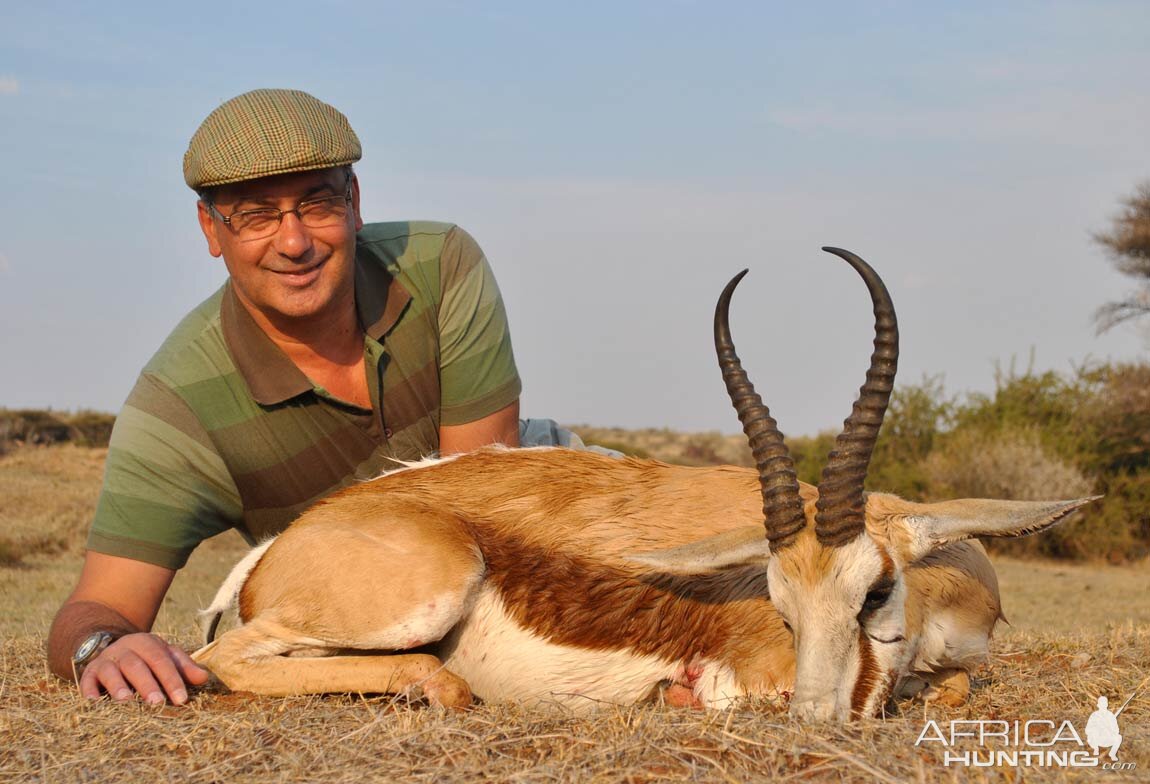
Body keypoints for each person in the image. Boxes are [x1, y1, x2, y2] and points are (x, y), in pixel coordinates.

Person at [47, 88, 584, 705]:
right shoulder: (177, 407)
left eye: (318, 203)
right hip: (366, 590)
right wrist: (102, 646)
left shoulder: (441, 265)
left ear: (354, 203)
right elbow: (98, 605)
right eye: (254, 215)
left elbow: (485, 501)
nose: (295, 241)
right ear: (211, 229)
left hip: (515, 493)